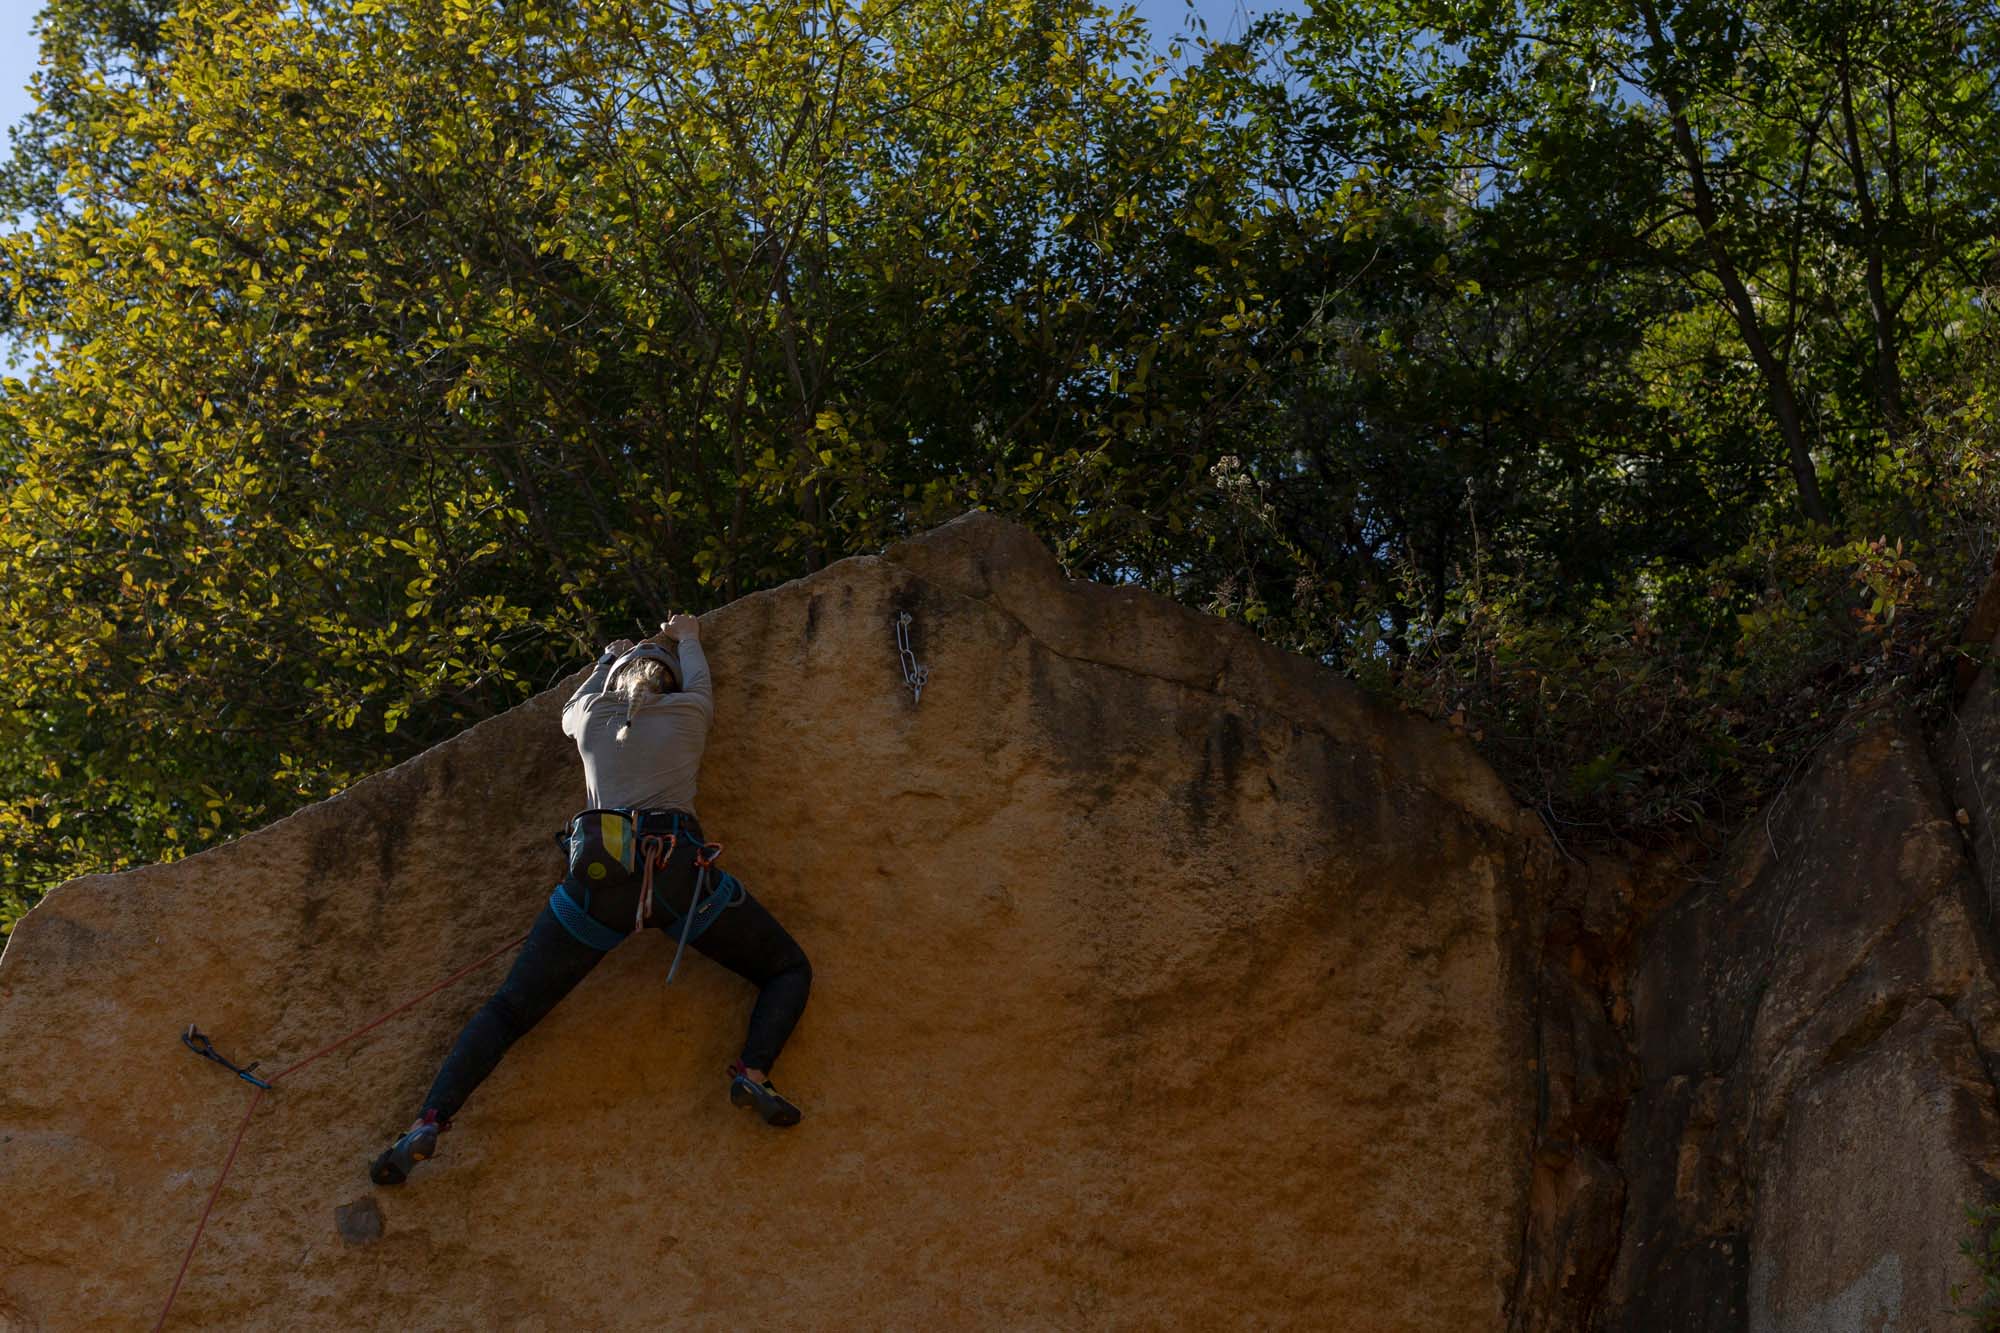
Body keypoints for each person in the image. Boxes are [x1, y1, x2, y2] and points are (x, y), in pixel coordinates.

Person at [369, 613, 813, 1186]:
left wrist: (607, 658)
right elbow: (700, 677)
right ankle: (753, 1070)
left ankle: (430, 1119)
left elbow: (569, 705)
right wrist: (688, 636)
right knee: (787, 968)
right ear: (671, 684)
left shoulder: (592, 718)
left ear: (616, 681)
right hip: (681, 880)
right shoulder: (688, 712)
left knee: (509, 1010)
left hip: (599, 882)